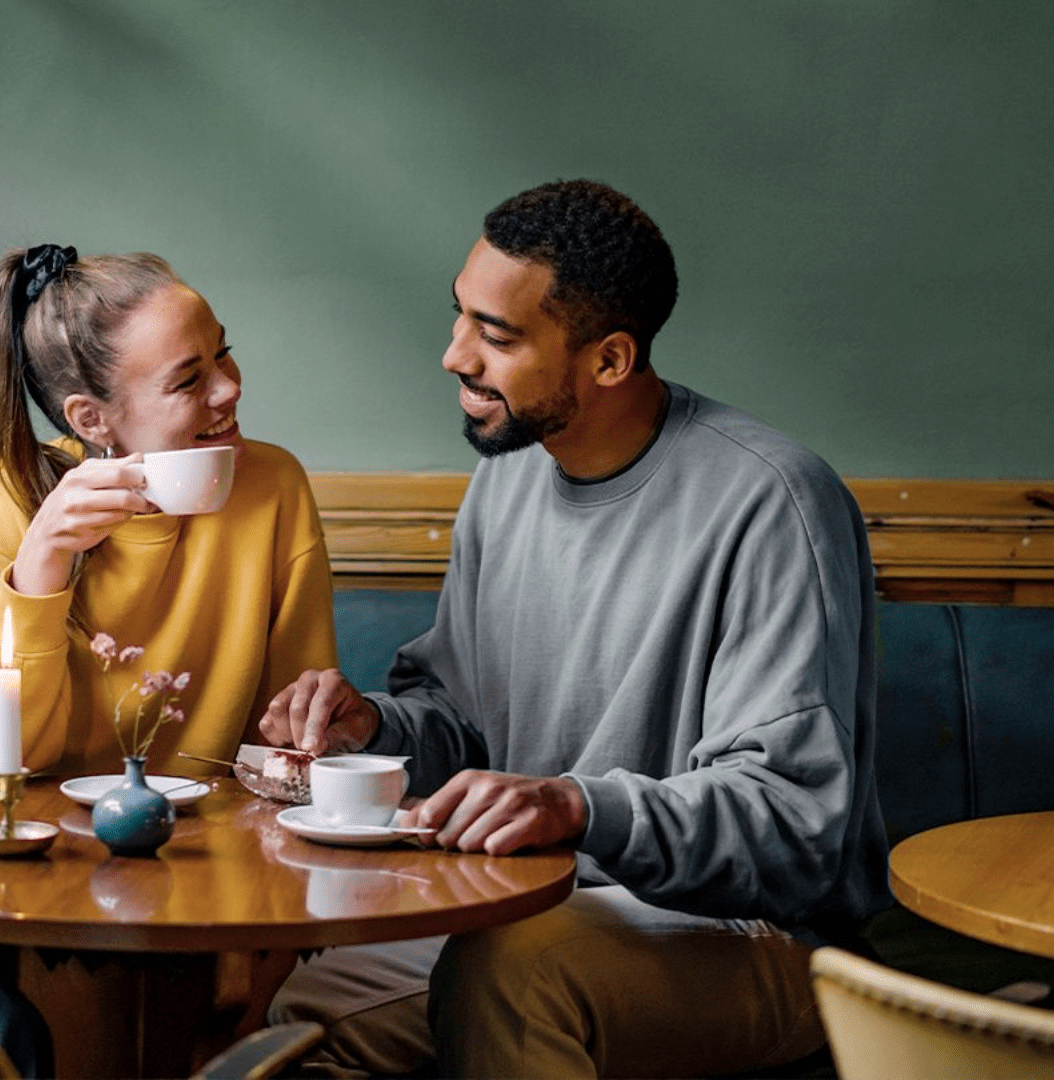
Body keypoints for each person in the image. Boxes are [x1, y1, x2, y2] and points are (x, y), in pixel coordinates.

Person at [262, 181, 891, 1078]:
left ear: (608, 360)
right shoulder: (510, 475)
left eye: (498, 336)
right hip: (542, 906)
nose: (453, 357)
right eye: (460, 319)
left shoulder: (773, 502)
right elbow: (462, 721)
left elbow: (789, 825)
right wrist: (374, 729)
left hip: (763, 936)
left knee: (513, 973)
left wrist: (578, 805)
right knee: (305, 1016)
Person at [0, 245, 340, 1074]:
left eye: (223, 354)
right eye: (187, 380)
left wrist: (318, 723)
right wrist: (41, 567)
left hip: (208, 867)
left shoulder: (272, 486)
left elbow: (290, 747)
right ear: (92, 421)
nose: (230, 388)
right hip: (17, 869)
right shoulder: (3, 499)